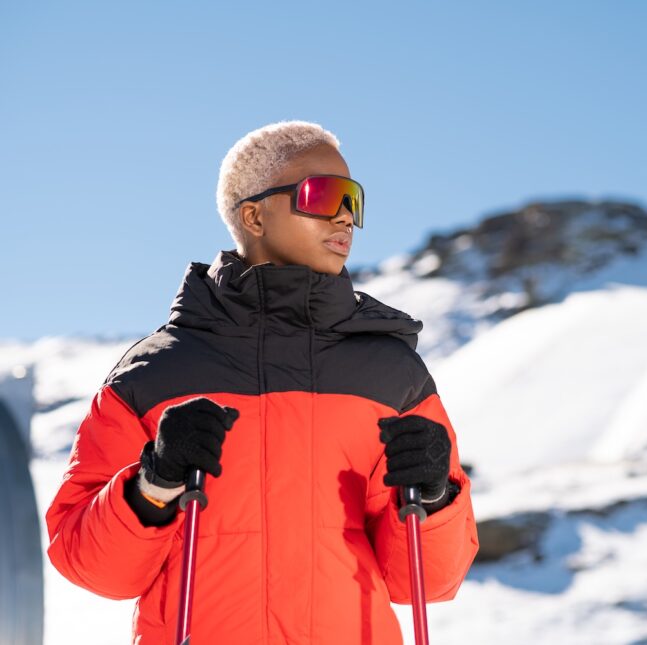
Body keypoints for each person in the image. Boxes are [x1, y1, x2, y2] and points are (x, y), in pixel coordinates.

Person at [45, 120, 480, 644]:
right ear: (254, 215)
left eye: (354, 201)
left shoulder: (393, 377)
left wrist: (434, 499)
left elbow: (430, 581)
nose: (345, 216)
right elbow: (92, 568)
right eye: (323, 195)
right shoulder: (154, 375)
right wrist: (153, 484)